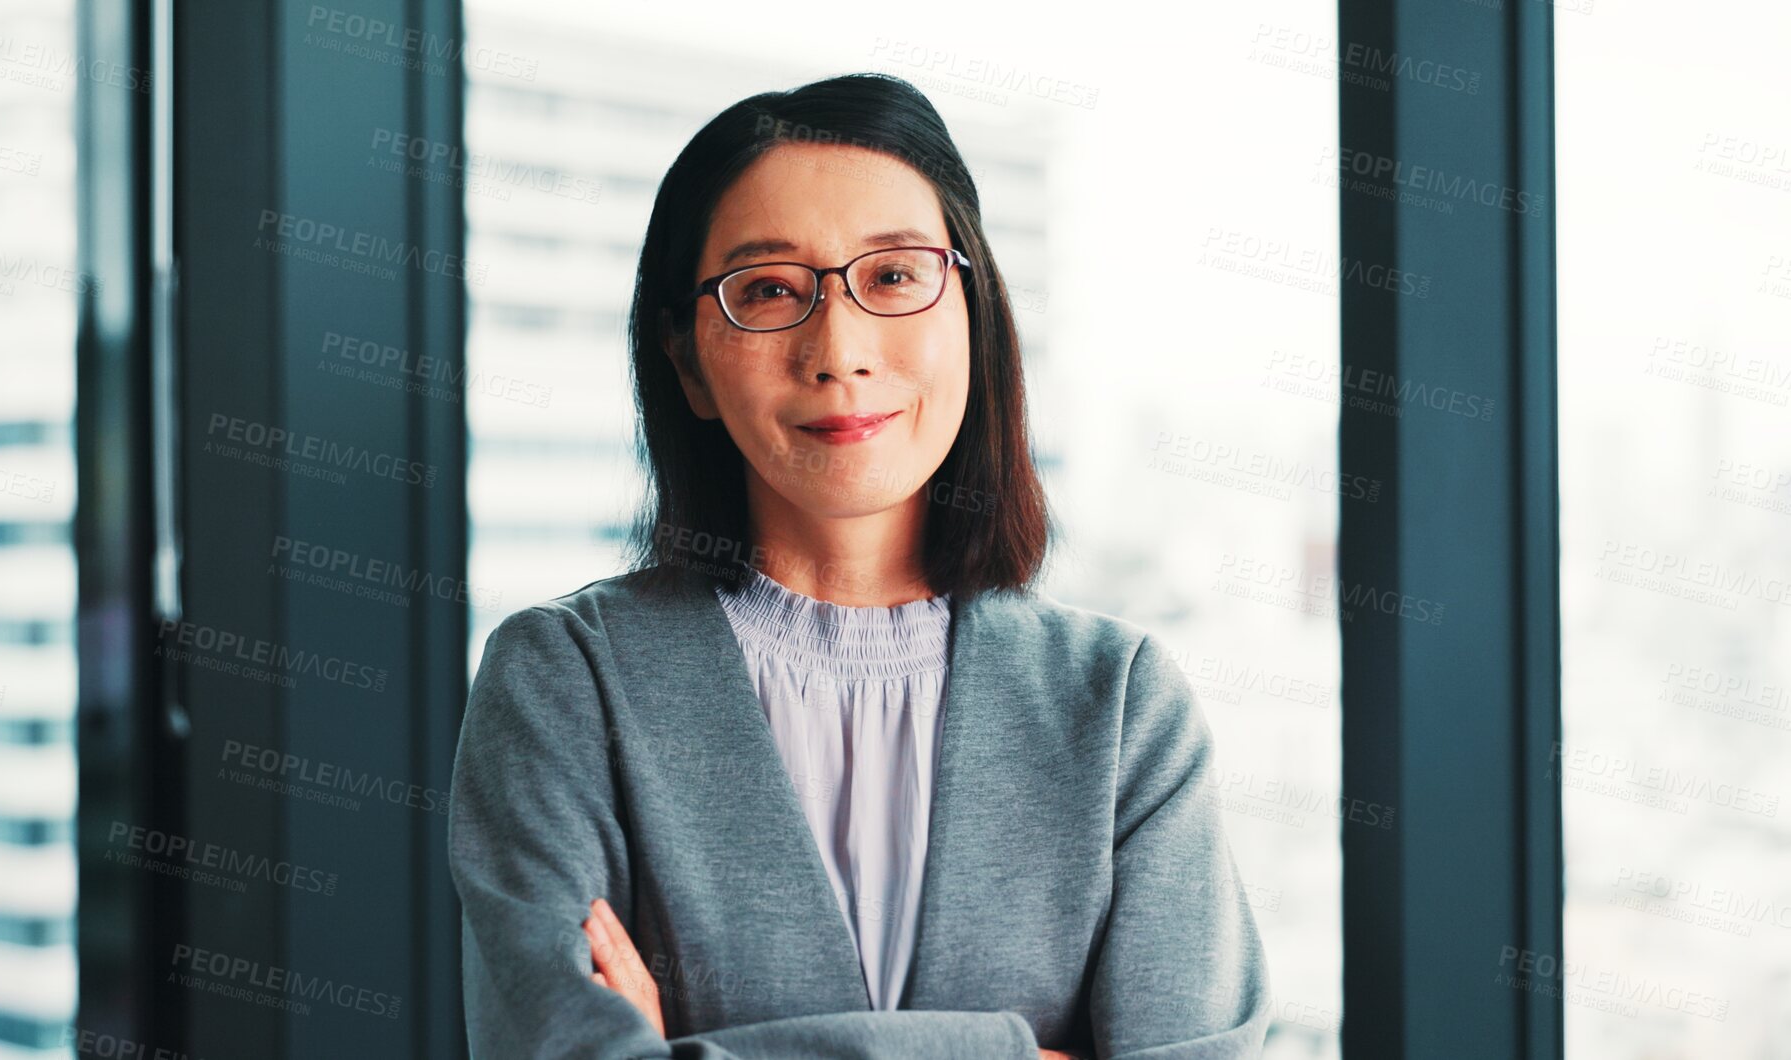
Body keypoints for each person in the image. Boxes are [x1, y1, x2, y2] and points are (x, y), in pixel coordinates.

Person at [448, 71, 1272, 1059]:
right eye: (766, 291)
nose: (838, 348)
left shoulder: (1122, 706)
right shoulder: (565, 681)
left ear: (974, 312)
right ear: (686, 364)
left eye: (890, 276)